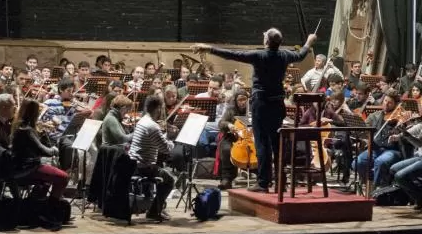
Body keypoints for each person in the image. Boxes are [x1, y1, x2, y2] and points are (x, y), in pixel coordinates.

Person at [193, 29, 318, 193]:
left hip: (261, 104)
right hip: (278, 104)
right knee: (277, 144)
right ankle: (281, 182)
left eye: (265, 36)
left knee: (262, 143)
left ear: (267, 41)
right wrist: (309, 42)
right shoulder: (285, 55)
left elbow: (231, 54)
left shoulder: (259, 56)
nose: (263, 36)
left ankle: (263, 183)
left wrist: (208, 48)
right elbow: (301, 55)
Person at [127, 96, 177, 221]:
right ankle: (155, 211)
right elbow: (166, 149)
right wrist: (171, 137)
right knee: (170, 179)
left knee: (163, 171)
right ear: (158, 109)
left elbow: (154, 141)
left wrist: (162, 134)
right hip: (143, 167)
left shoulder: (143, 120)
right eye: (161, 108)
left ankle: (156, 208)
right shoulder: (152, 126)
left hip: (133, 163)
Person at [12, 99, 68, 199]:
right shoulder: (27, 130)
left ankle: (36, 204)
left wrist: (41, 134)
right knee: (64, 177)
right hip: (28, 168)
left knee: (46, 181)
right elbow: (43, 151)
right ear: (33, 113)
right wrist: (54, 150)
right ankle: (52, 207)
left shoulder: (18, 125)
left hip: (19, 166)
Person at [355, 91, 405, 187]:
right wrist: (364, 138)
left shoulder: (399, 118)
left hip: (392, 150)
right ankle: (369, 182)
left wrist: (401, 124)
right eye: (385, 100)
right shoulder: (374, 116)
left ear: (396, 105)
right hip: (375, 148)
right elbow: (364, 130)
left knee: (380, 162)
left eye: (390, 102)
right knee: (358, 162)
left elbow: (405, 135)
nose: (386, 103)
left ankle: (375, 189)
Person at [215, 89, 250, 190]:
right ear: (235, 101)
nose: (243, 102)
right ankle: (227, 179)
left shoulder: (252, 110)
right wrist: (229, 125)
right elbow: (221, 123)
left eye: (245, 99)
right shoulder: (231, 110)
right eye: (240, 100)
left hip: (249, 138)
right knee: (226, 149)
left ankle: (262, 177)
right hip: (232, 137)